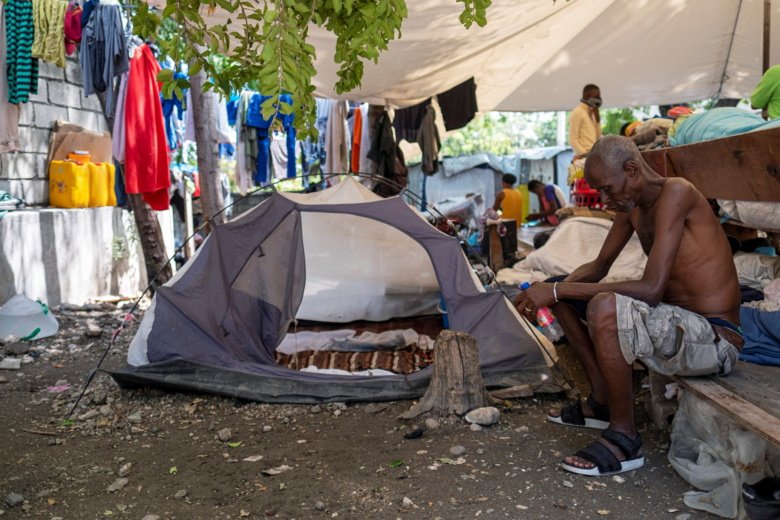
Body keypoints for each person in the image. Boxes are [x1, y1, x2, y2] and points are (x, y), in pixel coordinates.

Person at [514, 135, 742, 477]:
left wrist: (559, 288)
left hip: (715, 339)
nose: (604, 201)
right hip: (679, 329)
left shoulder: (676, 192)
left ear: (632, 170)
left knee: (603, 305)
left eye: (607, 189)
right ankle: (601, 402)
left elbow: (651, 290)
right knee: (564, 294)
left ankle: (624, 440)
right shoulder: (632, 206)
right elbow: (599, 265)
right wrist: (550, 290)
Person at [569, 84, 603, 158]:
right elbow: (573, 140)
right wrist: (585, 155)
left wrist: (597, 120)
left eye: (599, 97)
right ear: (588, 96)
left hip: (593, 156)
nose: (599, 99)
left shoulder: (592, 113)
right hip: (583, 158)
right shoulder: (577, 112)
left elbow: (598, 138)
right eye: (596, 97)